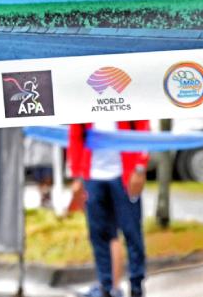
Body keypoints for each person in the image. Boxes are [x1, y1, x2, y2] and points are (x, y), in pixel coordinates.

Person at [69, 120, 150, 297]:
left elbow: (143, 129)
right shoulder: (84, 100)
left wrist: (140, 167)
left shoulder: (123, 96)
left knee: (132, 232)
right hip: (93, 176)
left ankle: (136, 286)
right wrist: (76, 175)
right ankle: (106, 287)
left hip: (124, 174)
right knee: (99, 234)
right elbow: (75, 135)